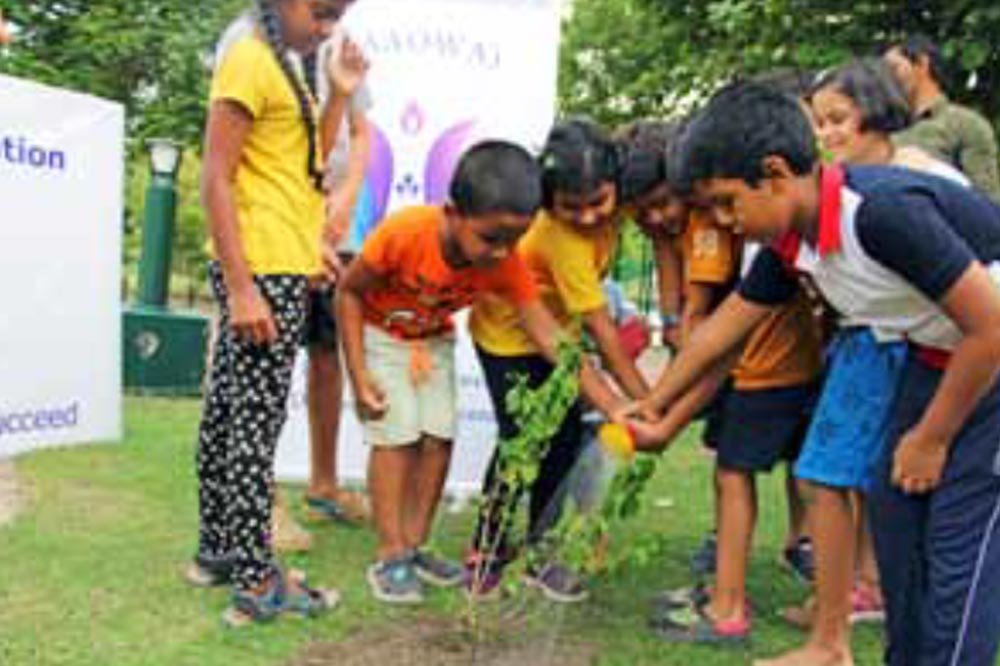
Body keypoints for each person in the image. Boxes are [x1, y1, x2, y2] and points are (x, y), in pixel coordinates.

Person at [633, 80, 1000, 666]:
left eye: (728, 202)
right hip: (937, 359)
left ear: (776, 173)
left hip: (989, 362)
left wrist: (932, 437)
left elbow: (992, 328)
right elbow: (725, 332)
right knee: (897, 524)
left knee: (960, 542)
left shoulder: (882, 213)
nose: (724, 221)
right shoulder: (791, 243)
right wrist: (653, 405)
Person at [336, 140, 626, 604]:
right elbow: (348, 294)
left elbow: (552, 337)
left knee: (437, 440)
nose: (501, 252)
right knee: (397, 439)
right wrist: (357, 371)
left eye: (514, 239)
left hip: (433, 341)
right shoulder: (405, 233)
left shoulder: (506, 263)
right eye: (491, 238)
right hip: (382, 335)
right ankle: (390, 555)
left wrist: (611, 404)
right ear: (452, 213)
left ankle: (415, 546)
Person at [618, 118, 824, 646]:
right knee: (779, 471)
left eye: (670, 203)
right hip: (762, 359)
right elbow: (695, 320)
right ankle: (811, 594)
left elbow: (709, 329)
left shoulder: (720, 229)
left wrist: (664, 409)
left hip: (762, 365)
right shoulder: (756, 230)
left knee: (736, 473)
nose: (725, 219)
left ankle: (729, 609)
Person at [190, 0, 360, 626]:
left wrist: (338, 95)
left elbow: (303, 170)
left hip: (280, 264)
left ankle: (218, 554)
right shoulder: (249, 59)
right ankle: (260, 581)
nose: (328, 27)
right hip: (262, 274)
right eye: (321, 12)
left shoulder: (289, 64)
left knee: (231, 415)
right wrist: (241, 287)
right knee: (252, 430)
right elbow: (215, 177)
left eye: (337, 15)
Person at [465, 120, 650, 603]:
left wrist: (639, 402)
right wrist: (638, 403)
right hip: (509, 338)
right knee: (520, 443)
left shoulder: (618, 215)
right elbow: (601, 331)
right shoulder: (557, 237)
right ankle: (485, 549)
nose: (587, 216)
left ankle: (540, 553)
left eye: (598, 202)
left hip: (558, 334)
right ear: (548, 197)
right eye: (572, 205)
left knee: (564, 443)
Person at [884, 34, 1000, 200]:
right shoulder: (880, 126)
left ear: (922, 64)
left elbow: (988, 202)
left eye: (893, 68)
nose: (886, 78)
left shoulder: (966, 124)